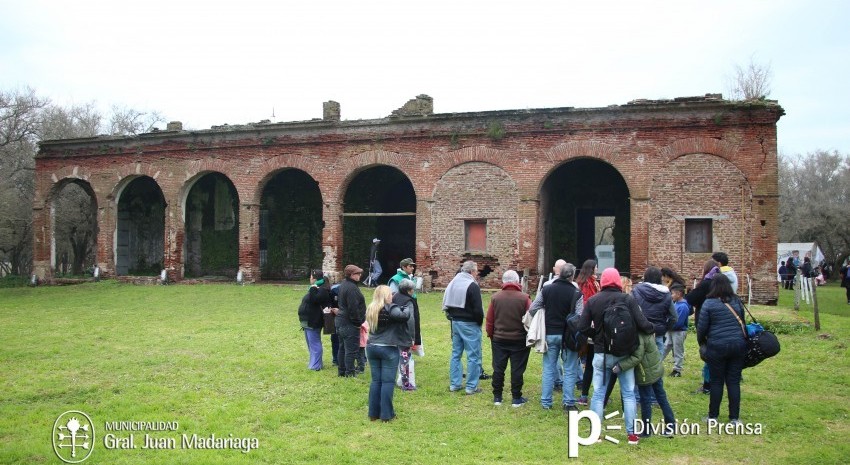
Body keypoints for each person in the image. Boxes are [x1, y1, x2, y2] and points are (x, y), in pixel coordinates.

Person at [577, 267, 654, 445]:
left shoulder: (594, 300)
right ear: (618, 281)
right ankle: (632, 434)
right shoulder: (627, 299)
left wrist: (596, 335)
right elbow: (642, 323)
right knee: (628, 393)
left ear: (603, 281)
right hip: (624, 353)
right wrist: (652, 330)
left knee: (598, 393)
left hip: (601, 352)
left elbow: (581, 326)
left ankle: (595, 434)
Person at [697, 274, 748, 424]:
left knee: (717, 381)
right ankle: (734, 417)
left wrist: (702, 343)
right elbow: (743, 322)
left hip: (717, 346)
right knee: (733, 381)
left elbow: (702, 327)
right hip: (738, 344)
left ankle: (713, 416)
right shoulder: (736, 301)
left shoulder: (709, 303)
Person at [615, 324, 676, 438]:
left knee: (646, 401)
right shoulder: (646, 330)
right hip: (655, 369)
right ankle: (671, 424)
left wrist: (620, 365)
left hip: (646, 374)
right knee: (661, 397)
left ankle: (646, 431)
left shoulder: (638, 337)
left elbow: (637, 357)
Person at [365, 285, 412, 422]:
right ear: (386, 296)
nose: (392, 296)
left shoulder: (371, 308)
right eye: (390, 294)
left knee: (375, 381)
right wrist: (406, 306)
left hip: (372, 347)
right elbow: (404, 315)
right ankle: (386, 414)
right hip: (388, 348)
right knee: (387, 382)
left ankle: (373, 413)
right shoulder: (390, 308)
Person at [485, 270, 532, 407]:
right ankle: (516, 398)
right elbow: (530, 319)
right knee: (517, 369)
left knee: (498, 368)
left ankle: (497, 397)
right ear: (518, 282)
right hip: (519, 339)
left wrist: (491, 335)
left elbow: (489, 320)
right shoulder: (525, 298)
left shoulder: (495, 297)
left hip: (499, 339)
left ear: (503, 282)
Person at [444, 261, 485, 395]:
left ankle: (455, 384)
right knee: (473, 356)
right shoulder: (472, 285)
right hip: (470, 323)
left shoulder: (453, 282)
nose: (477, 273)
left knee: (456, 354)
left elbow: (447, 303)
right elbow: (478, 309)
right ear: (471, 271)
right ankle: (471, 387)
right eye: (476, 270)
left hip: (455, 322)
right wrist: (479, 322)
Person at [530, 259, 568, 392]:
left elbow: (533, 307)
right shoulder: (574, 288)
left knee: (549, 365)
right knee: (570, 365)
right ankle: (569, 399)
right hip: (567, 332)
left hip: (551, 330)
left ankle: (547, 399)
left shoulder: (547, 286)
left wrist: (542, 314)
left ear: (554, 269)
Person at [686, 259, 720, 394]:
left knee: (708, 354)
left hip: (707, 322)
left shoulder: (706, 283)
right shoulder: (721, 283)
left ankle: (707, 385)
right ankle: (714, 382)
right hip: (719, 323)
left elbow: (692, 299)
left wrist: (690, 292)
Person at [576, 259, 600, 406]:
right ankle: (590, 394)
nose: (598, 269)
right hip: (591, 324)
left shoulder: (586, 282)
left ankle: (586, 394)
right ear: (592, 269)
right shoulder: (588, 284)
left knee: (590, 363)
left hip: (587, 324)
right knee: (593, 363)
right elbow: (588, 303)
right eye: (596, 267)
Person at [336, 265, 367, 377]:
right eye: (357, 274)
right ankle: (349, 373)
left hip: (341, 321)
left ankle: (342, 371)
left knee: (342, 348)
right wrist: (357, 323)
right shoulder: (352, 288)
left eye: (359, 273)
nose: (359, 276)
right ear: (350, 275)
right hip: (349, 322)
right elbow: (353, 308)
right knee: (351, 350)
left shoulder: (344, 284)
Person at [298, 270, 332, 370]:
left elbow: (314, 300)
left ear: (314, 278)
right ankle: (315, 363)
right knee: (311, 344)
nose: (310, 279)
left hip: (314, 320)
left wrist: (313, 289)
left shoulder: (322, 289)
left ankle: (316, 365)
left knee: (315, 343)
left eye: (310, 277)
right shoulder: (317, 288)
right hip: (307, 321)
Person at [393, 278, 421, 391]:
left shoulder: (394, 296)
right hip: (404, 334)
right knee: (405, 358)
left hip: (393, 332)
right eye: (412, 289)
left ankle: (397, 381)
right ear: (409, 290)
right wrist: (412, 336)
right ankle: (406, 384)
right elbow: (411, 320)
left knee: (396, 357)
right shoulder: (409, 301)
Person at [663, 283, 691, 377]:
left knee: (678, 350)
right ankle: (656, 364)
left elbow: (679, 323)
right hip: (671, 331)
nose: (671, 296)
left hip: (678, 332)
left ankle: (677, 370)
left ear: (679, 294)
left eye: (673, 294)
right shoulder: (675, 304)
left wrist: (668, 326)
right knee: (665, 347)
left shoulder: (683, 306)